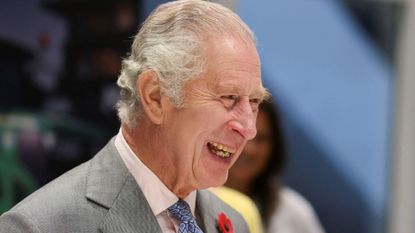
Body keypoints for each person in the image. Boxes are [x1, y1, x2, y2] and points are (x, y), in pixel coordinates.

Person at [0, 1, 269, 232]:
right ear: (155, 97)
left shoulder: (233, 222)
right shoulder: (40, 226)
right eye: (229, 98)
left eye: (254, 101)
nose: (249, 128)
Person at [224, 100, 325, 233]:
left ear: (274, 146)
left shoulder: (293, 210)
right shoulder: (192, 201)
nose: (249, 149)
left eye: (261, 139)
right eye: (241, 134)